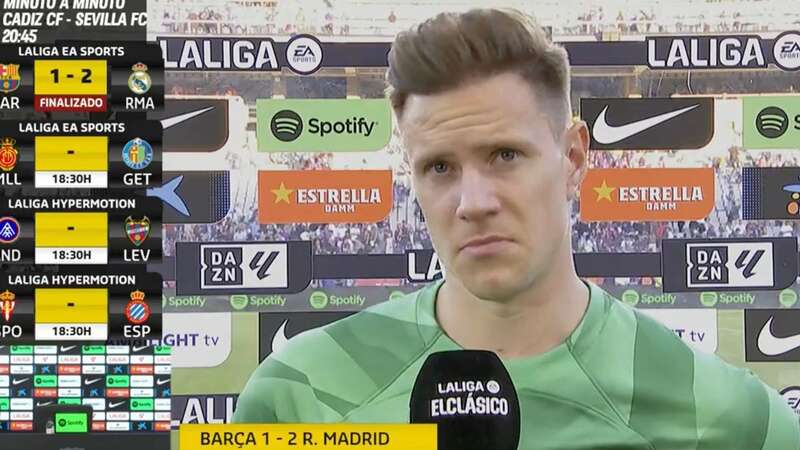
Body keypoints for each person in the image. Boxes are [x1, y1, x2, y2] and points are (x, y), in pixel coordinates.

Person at [232, 8, 800, 448]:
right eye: (439, 167)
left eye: (504, 155)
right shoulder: (296, 392)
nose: (473, 202)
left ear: (574, 158)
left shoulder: (724, 416)